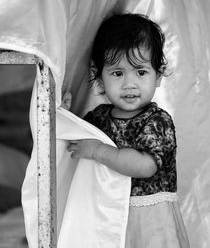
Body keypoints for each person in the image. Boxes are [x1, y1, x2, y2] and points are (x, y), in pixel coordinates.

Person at [65, 13, 190, 248]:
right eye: (117, 73)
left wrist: (99, 152)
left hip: (149, 219)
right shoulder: (99, 117)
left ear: (158, 75)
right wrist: (62, 114)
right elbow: (74, 141)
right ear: (99, 77)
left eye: (141, 72)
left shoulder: (157, 120)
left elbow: (145, 166)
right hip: (108, 214)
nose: (129, 84)